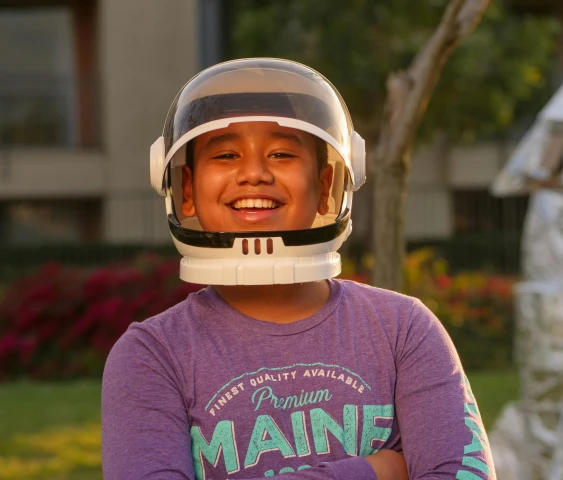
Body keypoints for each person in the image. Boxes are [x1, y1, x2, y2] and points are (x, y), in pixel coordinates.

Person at [101, 58, 495, 480]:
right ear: (188, 189)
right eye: (227, 154)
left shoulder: (403, 329)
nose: (253, 173)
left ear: (326, 187)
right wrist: (373, 471)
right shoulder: (152, 356)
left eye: (282, 153)